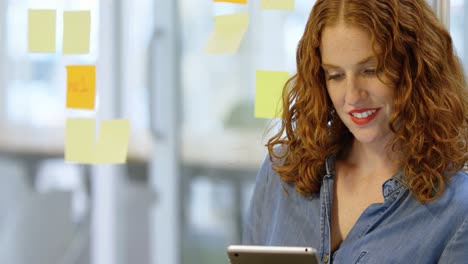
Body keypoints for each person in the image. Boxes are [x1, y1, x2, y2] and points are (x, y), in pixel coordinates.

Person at [242, 0, 468, 263]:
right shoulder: (280, 171)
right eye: (335, 75)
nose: (352, 96)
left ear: (414, 69)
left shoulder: (457, 211)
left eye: (370, 71)